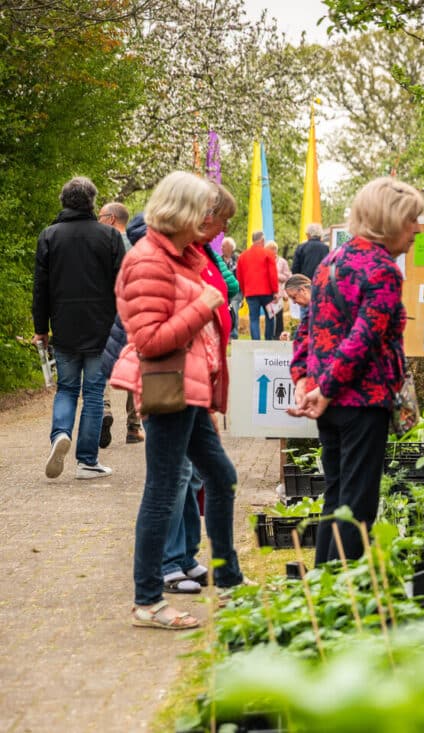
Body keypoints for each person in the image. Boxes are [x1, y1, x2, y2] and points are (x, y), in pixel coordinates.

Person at [110, 171, 245, 629]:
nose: (211, 221)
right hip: (168, 388)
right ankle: (148, 600)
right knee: (163, 492)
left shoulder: (182, 254)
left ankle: (229, 580)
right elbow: (148, 339)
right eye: (205, 211)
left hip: (190, 389)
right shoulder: (149, 260)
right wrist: (202, 306)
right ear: (183, 211)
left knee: (221, 476)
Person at [293, 177, 423, 565]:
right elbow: (363, 339)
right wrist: (328, 388)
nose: (417, 229)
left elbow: (308, 329)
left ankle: (322, 590)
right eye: (412, 219)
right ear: (389, 220)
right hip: (361, 400)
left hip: (330, 403)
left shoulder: (330, 262)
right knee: (358, 506)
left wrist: (305, 379)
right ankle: (344, 600)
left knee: (336, 498)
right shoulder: (383, 270)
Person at [162, 182, 240, 595]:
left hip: (200, 377)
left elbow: (225, 286)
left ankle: (187, 555)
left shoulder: (200, 251)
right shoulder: (165, 253)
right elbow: (155, 327)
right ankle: (166, 566)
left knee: (197, 476)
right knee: (174, 476)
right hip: (175, 379)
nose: (222, 229)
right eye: (222, 220)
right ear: (200, 214)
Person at [32, 176, 124, 479]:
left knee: (67, 388)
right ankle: (87, 461)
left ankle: (60, 434)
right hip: (101, 327)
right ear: (92, 202)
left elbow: (41, 288)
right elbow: (123, 285)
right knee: (94, 393)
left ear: (63, 201)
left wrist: (41, 328)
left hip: (64, 326)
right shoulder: (109, 237)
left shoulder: (49, 236)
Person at [96, 202, 138, 449]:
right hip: (131, 314)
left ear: (111, 219)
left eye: (100, 216)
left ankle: (104, 409)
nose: (98, 220)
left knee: (100, 362)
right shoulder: (138, 246)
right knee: (134, 364)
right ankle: (133, 426)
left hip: (103, 313)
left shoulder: (100, 244)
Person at [236, 230, 278, 340]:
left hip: (251, 293)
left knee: (254, 318)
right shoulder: (269, 254)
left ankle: (256, 343)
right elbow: (272, 275)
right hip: (267, 293)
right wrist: (275, 291)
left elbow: (239, 276)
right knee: (270, 316)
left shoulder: (242, 256)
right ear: (262, 240)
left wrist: (245, 292)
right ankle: (268, 340)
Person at [265, 239, 291, 338]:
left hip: (279, 292)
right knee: (269, 315)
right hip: (267, 291)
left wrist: (276, 275)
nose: (271, 251)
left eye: (273, 249)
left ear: (276, 250)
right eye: (268, 249)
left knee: (279, 316)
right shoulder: (265, 261)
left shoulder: (282, 261)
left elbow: (287, 276)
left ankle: (278, 335)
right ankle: (269, 335)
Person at [221, 237, 242, 339]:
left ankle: (233, 334)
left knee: (234, 310)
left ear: (230, 248)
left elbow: (242, 276)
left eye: (224, 246)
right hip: (223, 292)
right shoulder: (219, 260)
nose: (222, 248)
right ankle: (225, 333)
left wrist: (242, 295)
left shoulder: (238, 260)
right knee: (224, 312)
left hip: (236, 292)